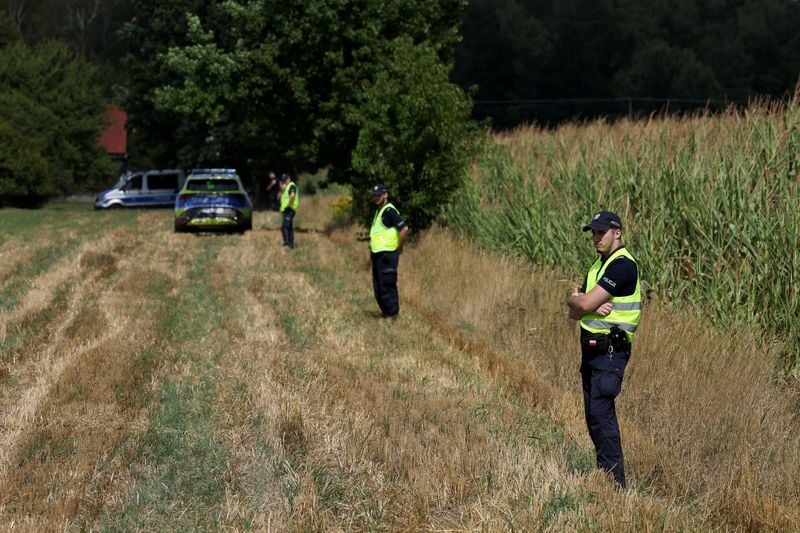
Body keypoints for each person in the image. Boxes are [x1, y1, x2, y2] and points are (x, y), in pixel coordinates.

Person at [566, 210, 641, 488]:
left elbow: (580, 305)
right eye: (594, 233)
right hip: (591, 351)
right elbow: (573, 311)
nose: (596, 237)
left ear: (617, 232)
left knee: (601, 415)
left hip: (611, 352)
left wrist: (583, 302)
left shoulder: (622, 266)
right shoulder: (597, 266)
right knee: (593, 416)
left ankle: (614, 485)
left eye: (602, 232)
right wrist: (581, 302)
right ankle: (605, 477)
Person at [369, 183, 409, 319]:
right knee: (378, 286)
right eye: (374, 196)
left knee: (387, 284)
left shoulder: (389, 211)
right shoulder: (379, 211)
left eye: (378, 195)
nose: (376, 198)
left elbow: (404, 229)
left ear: (385, 195)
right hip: (378, 254)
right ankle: (386, 312)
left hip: (388, 254)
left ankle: (392, 314)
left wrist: (399, 247)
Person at [278, 173, 299, 248]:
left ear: (289, 179)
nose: (284, 181)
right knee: (289, 227)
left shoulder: (292, 186)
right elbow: (278, 198)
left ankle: (287, 243)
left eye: (285, 180)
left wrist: (288, 204)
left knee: (284, 227)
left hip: (290, 209)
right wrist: (281, 190)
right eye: (283, 180)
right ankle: (291, 244)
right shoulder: (285, 188)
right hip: (285, 210)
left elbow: (292, 196)